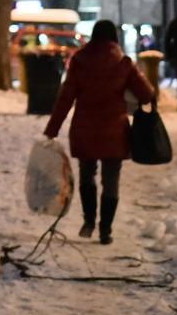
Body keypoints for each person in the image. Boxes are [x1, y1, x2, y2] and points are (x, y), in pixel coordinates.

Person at [45, 20, 156, 244]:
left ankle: (88, 221)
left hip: (85, 129)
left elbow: (66, 97)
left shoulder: (79, 61)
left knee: (87, 174)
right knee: (111, 179)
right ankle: (106, 230)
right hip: (115, 131)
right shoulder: (124, 63)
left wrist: (53, 128)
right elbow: (146, 93)